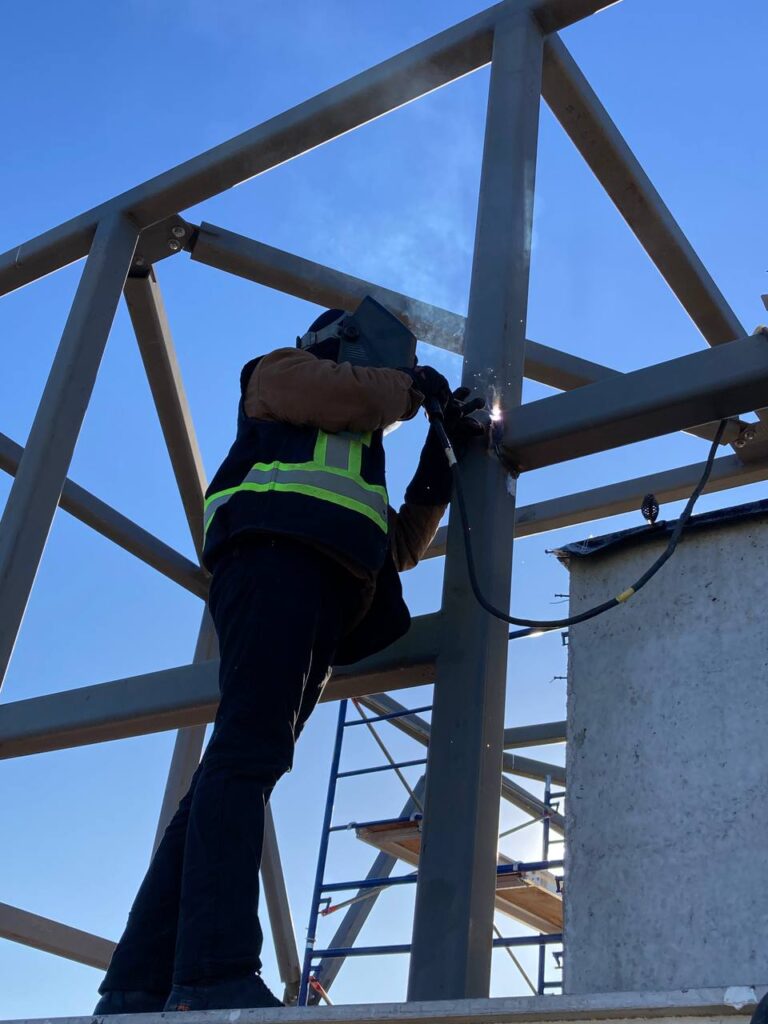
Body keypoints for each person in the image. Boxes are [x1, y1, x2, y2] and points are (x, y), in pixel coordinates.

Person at [94, 306, 484, 1013]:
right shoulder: (280, 373)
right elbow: (366, 395)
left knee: (237, 763)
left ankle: (137, 982)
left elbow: (394, 547)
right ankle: (211, 971)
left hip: (321, 591)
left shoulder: (358, 445)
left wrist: (439, 457)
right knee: (246, 758)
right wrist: (416, 387)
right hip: (276, 562)